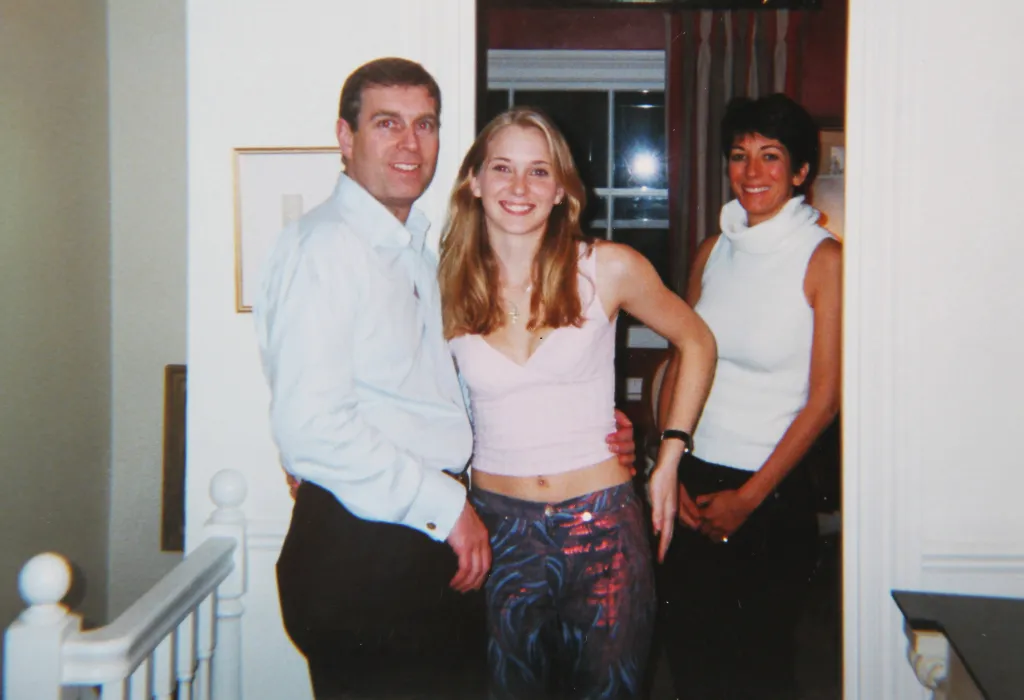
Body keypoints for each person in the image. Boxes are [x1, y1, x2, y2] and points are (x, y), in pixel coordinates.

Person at [253, 58, 636, 700]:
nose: (410, 144)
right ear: (346, 139)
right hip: (368, 548)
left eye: (425, 125)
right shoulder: (326, 248)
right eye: (387, 124)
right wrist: (448, 507)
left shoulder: (417, 252)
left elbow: (436, 392)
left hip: (418, 542)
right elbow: (311, 427)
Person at [437, 107, 717, 700]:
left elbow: (697, 340)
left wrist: (669, 454)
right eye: (502, 168)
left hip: (604, 529)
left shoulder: (607, 268)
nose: (519, 187)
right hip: (496, 529)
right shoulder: (444, 285)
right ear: (474, 181)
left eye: (539, 172)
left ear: (562, 189)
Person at [656, 93, 843, 700]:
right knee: (691, 657)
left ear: (800, 173)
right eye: (740, 155)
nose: (752, 172)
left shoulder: (825, 260)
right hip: (693, 475)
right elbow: (681, 359)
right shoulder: (713, 251)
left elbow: (826, 398)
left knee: (758, 669)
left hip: (771, 490)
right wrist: (671, 466)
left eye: (771, 156)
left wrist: (749, 498)